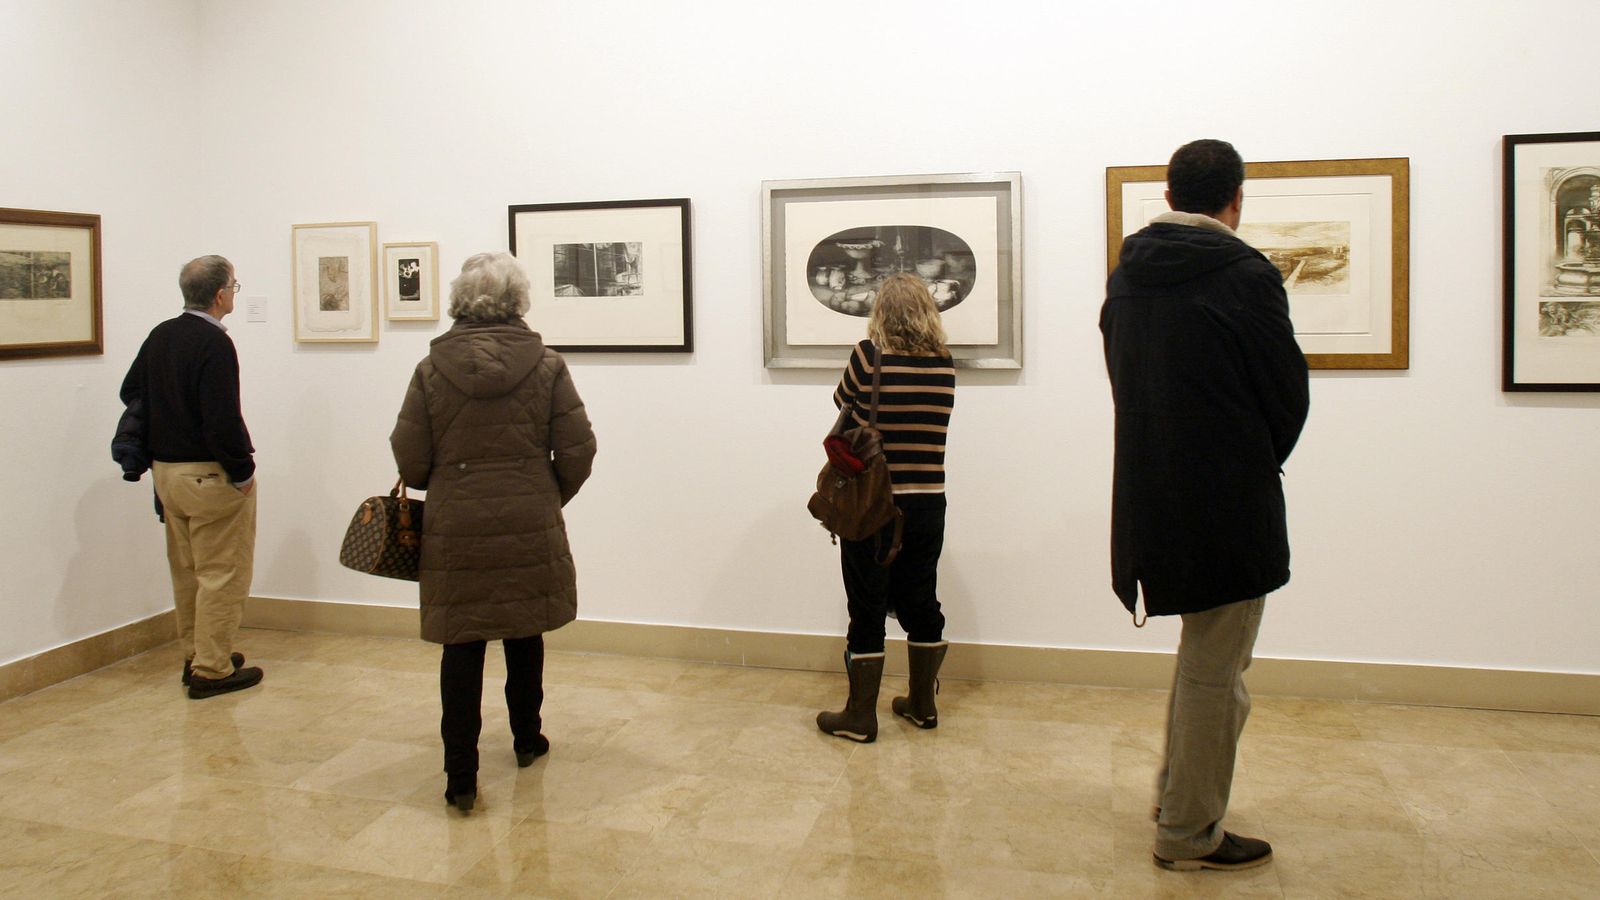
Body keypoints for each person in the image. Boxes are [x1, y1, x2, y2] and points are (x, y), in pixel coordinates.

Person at [1100, 139, 1310, 871]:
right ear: (1236, 200)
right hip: (1226, 501)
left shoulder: (1128, 276)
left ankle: (1176, 799)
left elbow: (1125, 381)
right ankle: (1189, 833)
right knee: (1217, 675)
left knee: (1203, 662)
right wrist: (1246, 458)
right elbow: (1285, 395)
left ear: (1168, 197)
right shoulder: (1246, 275)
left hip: (1151, 490)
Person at [390, 251, 596, 814]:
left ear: (462, 300)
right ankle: (527, 739)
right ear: (517, 301)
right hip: (529, 515)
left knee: (462, 644)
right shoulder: (547, 366)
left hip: (455, 522)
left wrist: (449, 484)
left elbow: (411, 459)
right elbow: (578, 449)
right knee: (524, 630)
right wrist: (545, 493)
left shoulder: (431, 370)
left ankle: (461, 777)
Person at [816, 273, 956, 743]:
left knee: (867, 603)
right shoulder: (944, 364)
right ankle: (922, 704)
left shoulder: (868, 356)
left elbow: (841, 401)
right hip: (928, 503)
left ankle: (860, 716)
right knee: (921, 599)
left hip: (872, 504)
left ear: (881, 312)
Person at [119, 255, 263, 699]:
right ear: (220, 295)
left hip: (166, 474)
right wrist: (242, 470)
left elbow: (130, 391)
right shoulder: (214, 343)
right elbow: (222, 419)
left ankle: (195, 655)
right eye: (233, 287)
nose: (233, 293)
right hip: (208, 477)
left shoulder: (161, 334)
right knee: (222, 574)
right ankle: (212, 669)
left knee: (187, 573)